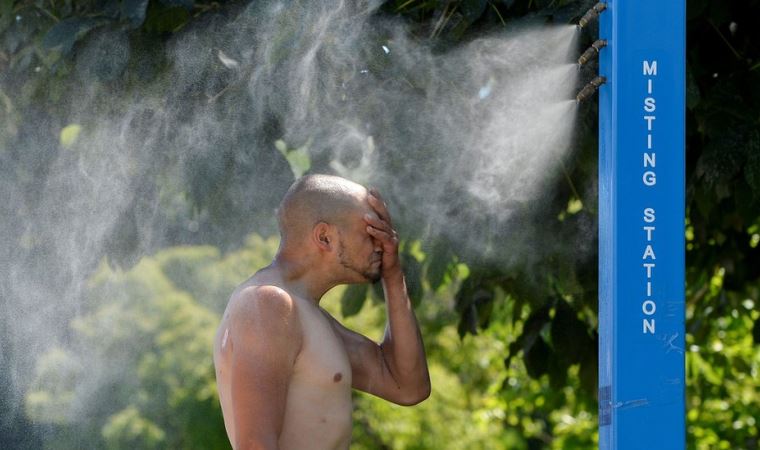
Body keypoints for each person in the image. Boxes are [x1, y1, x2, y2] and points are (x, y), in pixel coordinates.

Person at [213, 174, 431, 450]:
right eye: (370, 231)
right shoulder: (268, 304)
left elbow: (408, 385)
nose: (381, 243)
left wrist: (393, 272)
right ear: (324, 237)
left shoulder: (304, 314)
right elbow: (255, 445)